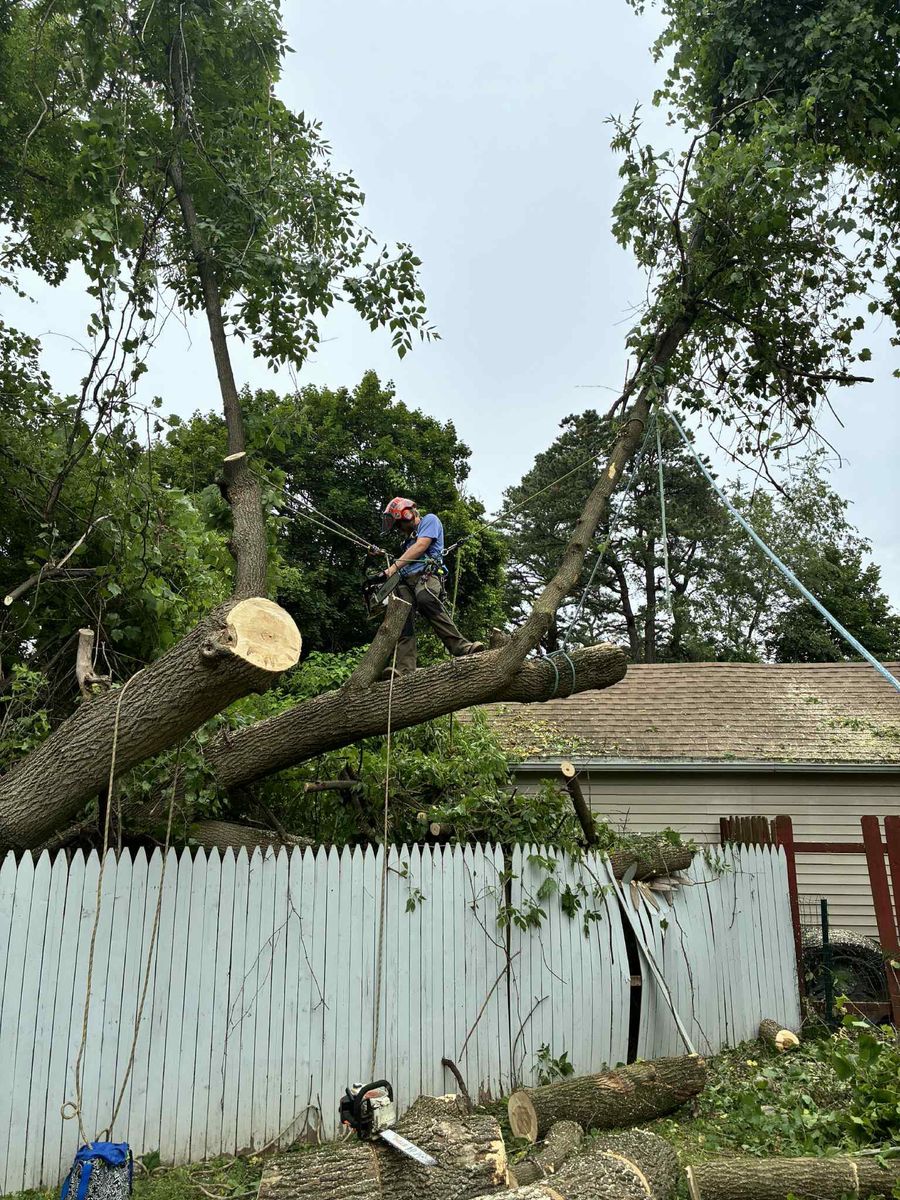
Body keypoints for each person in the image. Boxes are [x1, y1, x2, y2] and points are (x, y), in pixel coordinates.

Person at [379, 497, 485, 677]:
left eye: (399, 524)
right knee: (401, 615)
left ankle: (463, 648)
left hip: (427, 575)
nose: (399, 529)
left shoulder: (429, 520)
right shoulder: (406, 542)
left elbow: (421, 546)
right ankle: (404, 669)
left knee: (426, 598)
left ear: (407, 515)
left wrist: (393, 568)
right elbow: (409, 554)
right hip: (406, 581)